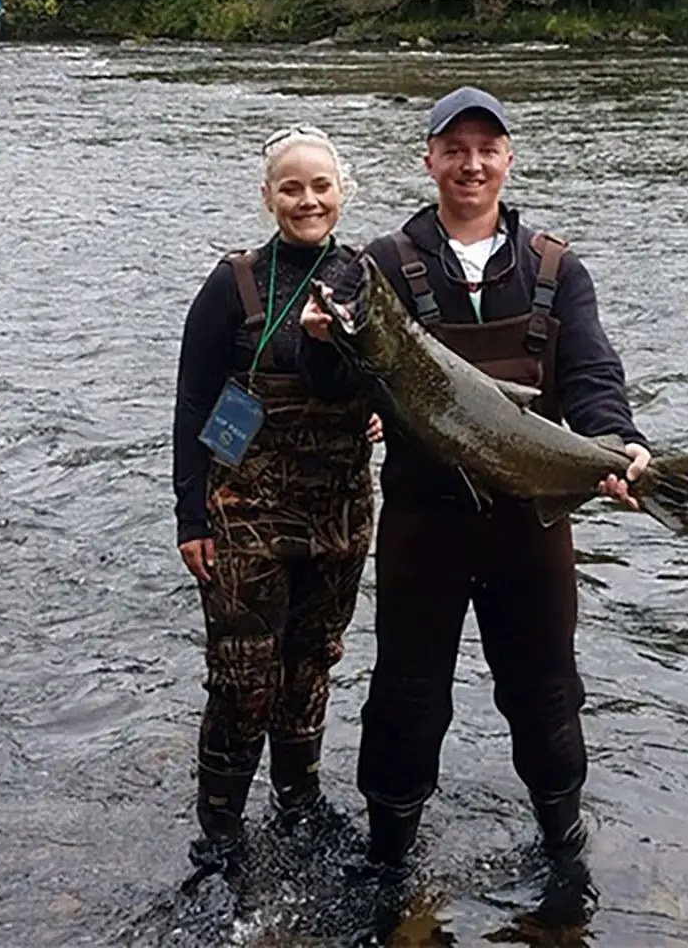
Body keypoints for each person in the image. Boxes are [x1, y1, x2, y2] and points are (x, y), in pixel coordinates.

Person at [331, 85, 650, 873]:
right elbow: (335, 379)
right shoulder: (379, 265)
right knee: (405, 702)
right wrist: (323, 346)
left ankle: (563, 847)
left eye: (486, 149)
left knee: (546, 696)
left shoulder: (555, 268)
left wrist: (617, 444)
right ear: (430, 160)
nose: (471, 165)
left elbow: (591, 373)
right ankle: (390, 860)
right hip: (420, 527)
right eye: (455, 150)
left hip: (530, 527)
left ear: (508, 159)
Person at [171, 125, 377, 875]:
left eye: (321, 185)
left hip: (342, 516)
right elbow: (195, 402)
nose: (308, 200)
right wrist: (191, 516)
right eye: (291, 188)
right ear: (268, 198)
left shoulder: (366, 278)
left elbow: (385, 378)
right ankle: (221, 827)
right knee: (242, 677)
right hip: (245, 514)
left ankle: (299, 797)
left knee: (312, 661)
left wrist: (371, 401)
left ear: (342, 192)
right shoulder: (235, 284)